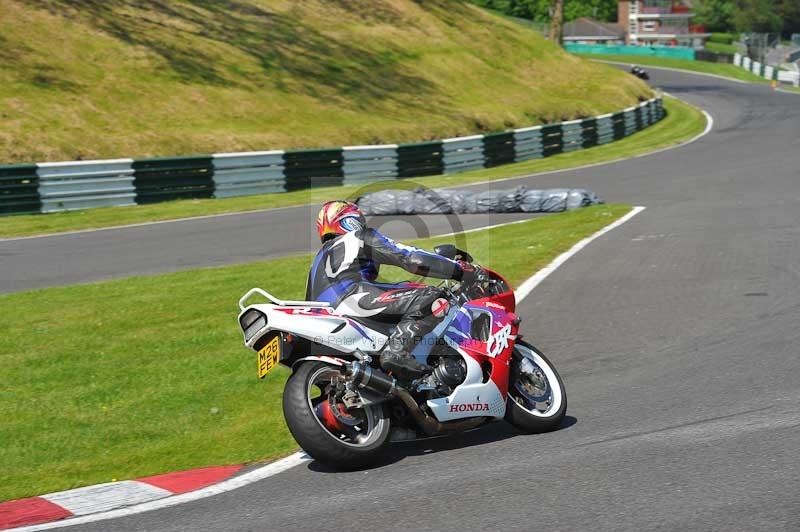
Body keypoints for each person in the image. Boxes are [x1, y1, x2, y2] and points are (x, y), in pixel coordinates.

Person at [306, 200, 478, 381]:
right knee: (432, 297)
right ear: (350, 220)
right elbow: (412, 259)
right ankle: (398, 351)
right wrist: (459, 269)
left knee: (406, 290)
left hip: (325, 316)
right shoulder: (359, 236)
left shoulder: (316, 262)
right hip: (353, 298)